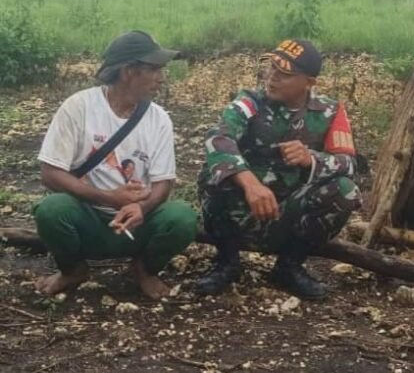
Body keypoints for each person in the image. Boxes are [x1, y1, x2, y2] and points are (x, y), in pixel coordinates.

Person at [34, 30, 198, 300]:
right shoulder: (78, 107)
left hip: (136, 224)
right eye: (154, 69)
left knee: (181, 218)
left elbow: (163, 183)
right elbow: (50, 173)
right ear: (127, 72)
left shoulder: (159, 119)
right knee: (51, 211)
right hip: (87, 220)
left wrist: (140, 207)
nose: (161, 77)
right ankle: (73, 270)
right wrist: (108, 198)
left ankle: (145, 269)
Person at [197, 39, 361, 299]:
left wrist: (312, 159)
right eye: (270, 68)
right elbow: (218, 138)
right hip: (244, 205)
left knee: (345, 191)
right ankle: (227, 262)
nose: (272, 78)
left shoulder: (330, 112)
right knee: (212, 173)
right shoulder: (250, 101)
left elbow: (350, 164)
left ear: (309, 83)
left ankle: (289, 266)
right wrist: (250, 184)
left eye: (283, 74)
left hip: (291, 209)